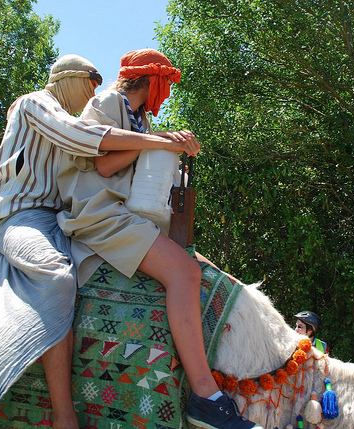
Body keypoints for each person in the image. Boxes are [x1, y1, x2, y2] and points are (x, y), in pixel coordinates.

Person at [0, 54, 195, 429]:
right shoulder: (35, 103)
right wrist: (159, 141)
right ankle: (64, 414)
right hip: (18, 216)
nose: (94, 91)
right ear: (69, 79)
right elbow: (82, 138)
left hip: (58, 221)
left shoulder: (111, 118)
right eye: (91, 81)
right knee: (56, 277)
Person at [56, 49, 262, 429]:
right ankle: (205, 396)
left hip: (123, 212)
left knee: (191, 262)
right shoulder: (106, 101)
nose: (166, 93)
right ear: (150, 79)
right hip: (98, 213)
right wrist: (160, 143)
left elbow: (136, 159)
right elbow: (104, 162)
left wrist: (164, 152)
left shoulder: (140, 119)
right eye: (165, 83)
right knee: (184, 273)